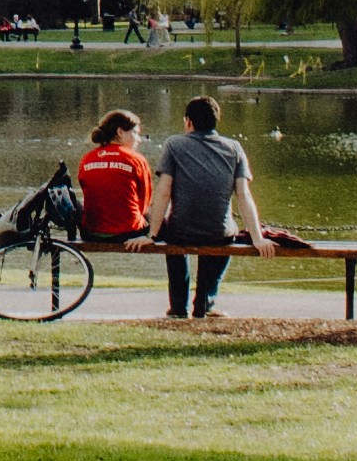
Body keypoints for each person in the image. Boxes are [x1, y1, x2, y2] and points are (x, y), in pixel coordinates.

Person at [156, 96, 263, 319]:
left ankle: (178, 306)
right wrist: (258, 237)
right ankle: (205, 303)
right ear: (216, 121)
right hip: (218, 233)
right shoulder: (234, 148)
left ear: (188, 122)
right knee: (225, 231)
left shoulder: (174, 144)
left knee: (172, 236)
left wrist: (152, 233)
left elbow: (164, 191)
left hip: (181, 231)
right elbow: (243, 195)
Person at [75, 109, 156, 244]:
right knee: (166, 224)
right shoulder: (136, 159)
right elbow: (144, 203)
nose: (139, 140)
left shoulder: (87, 159)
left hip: (92, 233)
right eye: (135, 133)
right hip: (129, 233)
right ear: (120, 132)